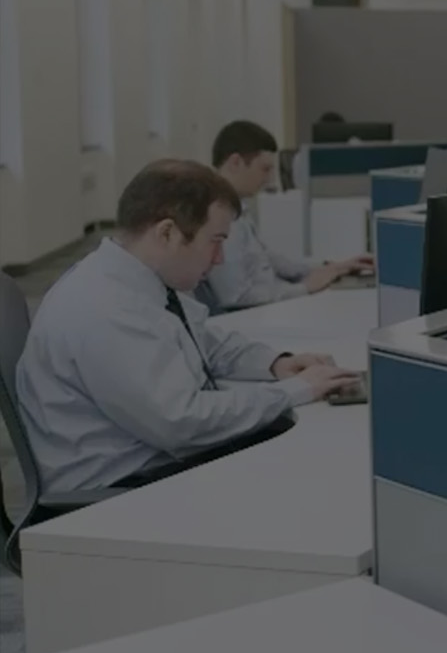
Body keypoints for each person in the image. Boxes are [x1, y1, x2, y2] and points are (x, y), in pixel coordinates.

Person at [15, 161, 360, 493]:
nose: (220, 259)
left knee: (294, 442)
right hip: (123, 487)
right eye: (216, 241)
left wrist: (277, 364)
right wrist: (296, 390)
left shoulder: (142, 281)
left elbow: (205, 342)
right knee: (306, 471)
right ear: (167, 233)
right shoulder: (105, 308)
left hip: (151, 458)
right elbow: (183, 423)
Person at [205, 121, 373, 310]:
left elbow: (269, 259)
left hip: (269, 307)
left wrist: (331, 267)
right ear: (235, 163)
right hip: (251, 316)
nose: (269, 179)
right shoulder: (217, 214)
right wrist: (303, 288)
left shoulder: (238, 208)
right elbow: (236, 296)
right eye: (265, 169)